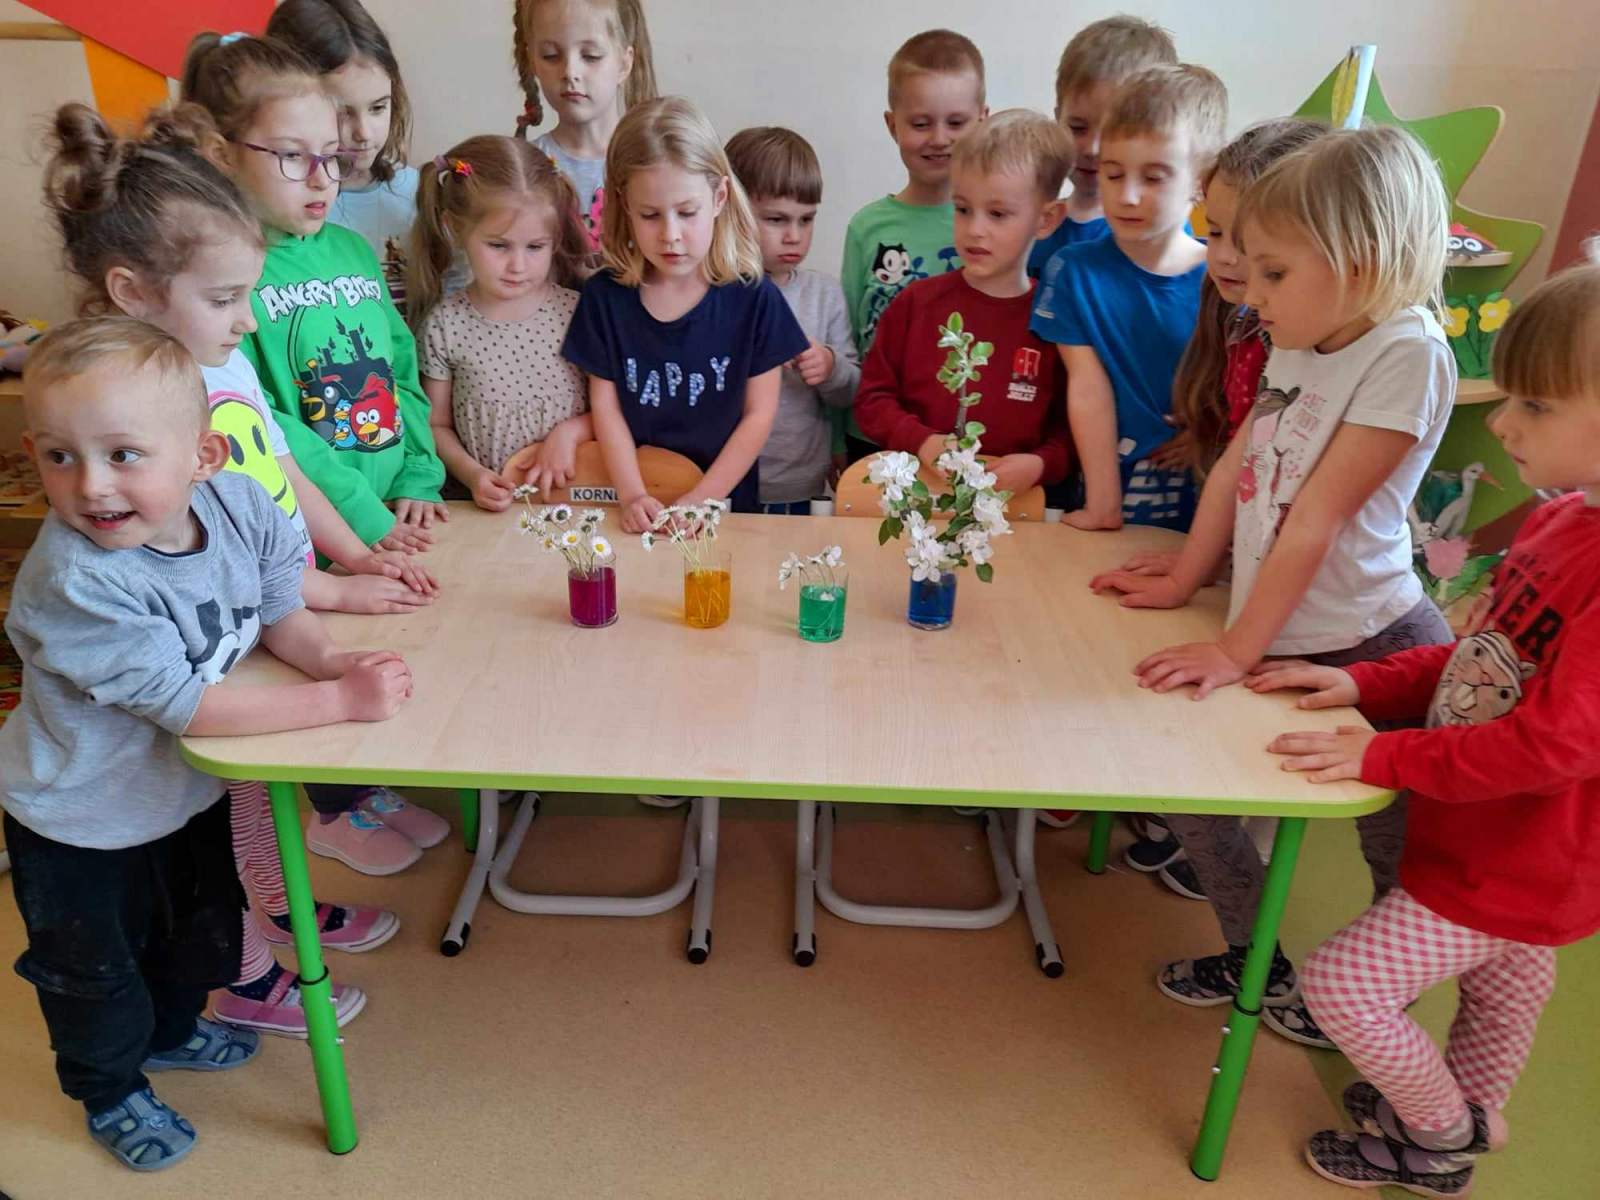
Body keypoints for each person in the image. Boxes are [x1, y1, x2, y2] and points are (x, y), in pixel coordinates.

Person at [0, 317, 412, 1169]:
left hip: (182, 793)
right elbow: (188, 708)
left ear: (205, 456)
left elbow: (278, 607)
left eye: (123, 454)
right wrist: (339, 699)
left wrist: (329, 658)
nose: (90, 485)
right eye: (60, 456)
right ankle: (109, 1090)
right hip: (78, 821)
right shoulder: (76, 579)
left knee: (195, 932)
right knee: (92, 972)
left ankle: (172, 1030)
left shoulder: (240, 504)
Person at [1091, 126, 1459, 1048]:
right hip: (1279, 630)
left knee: (1395, 849)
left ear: (1360, 262)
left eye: (1274, 273)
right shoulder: (1301, 329)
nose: (1249, 293)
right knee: (1195, 797)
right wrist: (1187, 576)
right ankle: (1257, 959)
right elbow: (1239, 468)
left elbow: (1315, 521)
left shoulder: (1408, 352)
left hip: (1377, 642)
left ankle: (1375, 1009)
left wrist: (1233, 649)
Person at [1255, 259, 1600, 1196]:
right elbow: (1476, 661)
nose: (1505, 423)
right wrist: (1364, 684)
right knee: (1501, 998)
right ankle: (1454, 1128)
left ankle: (1444, 1132)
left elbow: (1554, 745)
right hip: (1485, 845)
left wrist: (1384, 755)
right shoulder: (1558, 521)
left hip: (1518, 865)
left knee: (1342, 986)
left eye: (1536, 405)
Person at [562, 96, 808, 530]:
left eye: (687, 213)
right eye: (650, 215)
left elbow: (758, 416)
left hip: (724, 512)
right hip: (633, 510)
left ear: (719, 197)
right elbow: (607, 409)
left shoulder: (755, 299)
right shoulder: (604, 298)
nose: (670, 235)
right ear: (624, 205)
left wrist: (702, 500)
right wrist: (631, 494)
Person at [1030, 64, 1226, 532]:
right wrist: (1104, 506)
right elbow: (1088, 388)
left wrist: (1212, 431)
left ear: (1199, 180)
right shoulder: (1073, 271)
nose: (1128, 196)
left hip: (1213, 502)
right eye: (1114, 174)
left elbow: (1252, 383)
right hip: (1112, 493)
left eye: (1154, 178)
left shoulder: (1225, 279)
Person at [854, 109, 1073, 500]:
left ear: (1046, 219)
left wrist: (1040, 464)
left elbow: (1073, 431)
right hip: (915, 507)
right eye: (963, 209)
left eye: (998, 214)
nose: (975, 229)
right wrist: (922, 441)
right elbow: (872, 401)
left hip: (1017, 515)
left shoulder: (1058, 319)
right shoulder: (915, 303)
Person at [410, 135, 591, 508]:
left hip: (578, 504)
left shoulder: (578, 312)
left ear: (555, 237)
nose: (518, 265)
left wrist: (570, 433)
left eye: (535, 247)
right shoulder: (445, 325)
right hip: (487, 511)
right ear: (454, 227)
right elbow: (437, 425)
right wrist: (472, 475)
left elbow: (612, 410)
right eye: (498, 246)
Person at [838, 29, 986, 459]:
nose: (939, 138)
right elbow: (846, 340)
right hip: (873, 439)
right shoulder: (867, 227)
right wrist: (833, 438)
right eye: (921, 124)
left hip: (964, 440)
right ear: (892, 125)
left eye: (956, 123)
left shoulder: (995, 227)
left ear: (983, 120)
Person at [724, 126, 859, 511]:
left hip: (802, 487)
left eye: (806, 219)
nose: (794, 236)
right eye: (776, 219)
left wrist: (829, 365)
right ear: (731, 209)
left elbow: (851, 390)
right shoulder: (713, 294)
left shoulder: (824, 294)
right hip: (723, 483)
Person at [1027, 15, 1177, 277]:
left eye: (1112, 132)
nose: (1092, 149)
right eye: (1077, 128)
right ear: (1058, 119)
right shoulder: (1034, 225)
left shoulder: (1160, 237)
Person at [512, 0, 657, 253]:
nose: (570, 72)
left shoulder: (656, 158)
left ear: (624, 63)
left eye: (590, 56)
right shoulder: (524, 167)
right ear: (532, 60)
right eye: (551, 56)